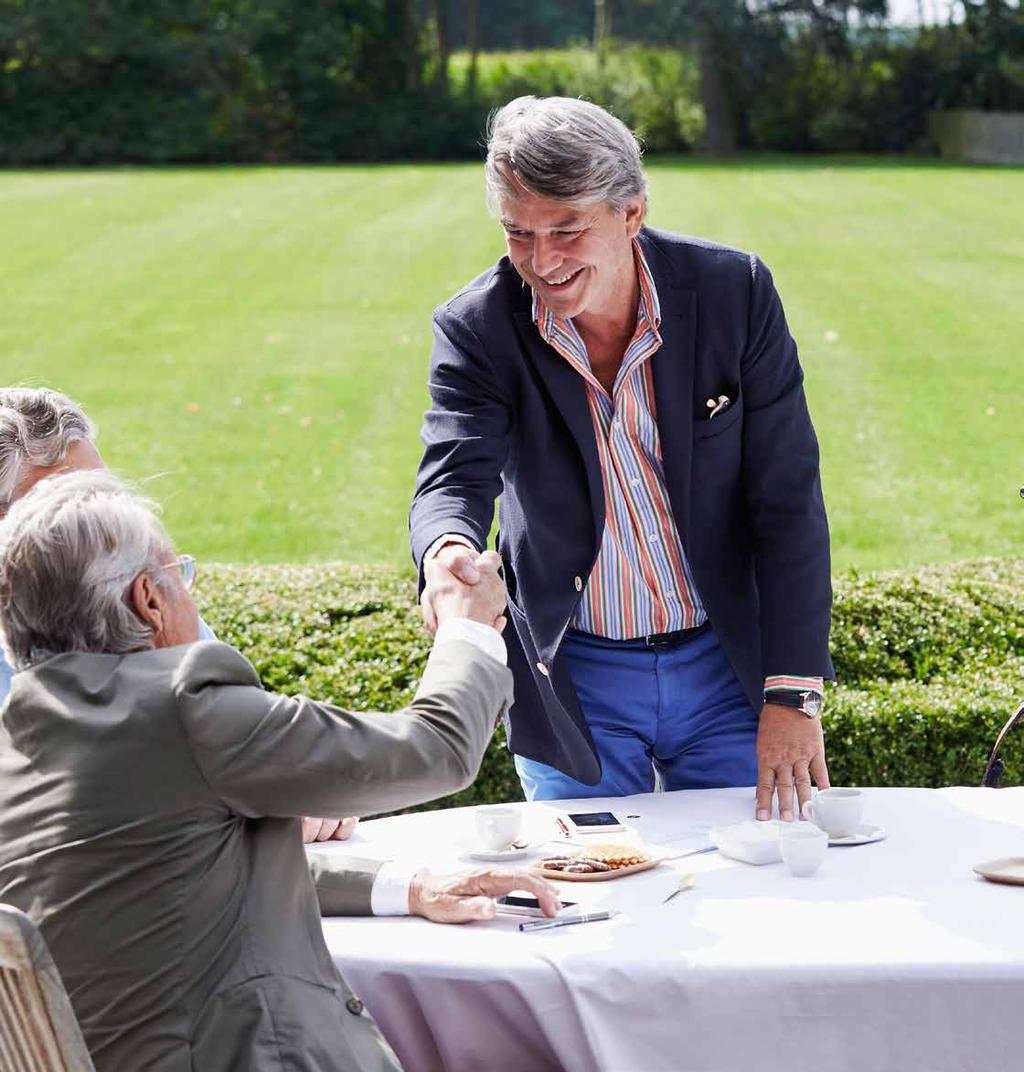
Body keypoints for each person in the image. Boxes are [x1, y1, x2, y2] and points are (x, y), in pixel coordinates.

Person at [0, 471, 559, 1072]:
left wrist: (410, 888)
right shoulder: (181, 706)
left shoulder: (19, 744)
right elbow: (436, 750)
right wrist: (468, 628)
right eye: (179, 574)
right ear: (149, 600)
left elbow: (175, 870)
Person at [411, 96, 834, 821]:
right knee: (589, 898)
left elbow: (786, 499)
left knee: (763, 891)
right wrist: (446, 551)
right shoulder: (477, 327)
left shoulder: (736, 293)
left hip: (726, 663)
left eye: (567, 230)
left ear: (630, 213)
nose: (541, 261)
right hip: (575, 674)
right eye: (520, 233)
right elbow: (453, 471)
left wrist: (792, 692)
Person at [0, 386, 348, 843]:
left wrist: (292, 788)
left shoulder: (144, 592)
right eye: (60, 508)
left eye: (103, 497)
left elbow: (245, 743)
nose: (97, 525)